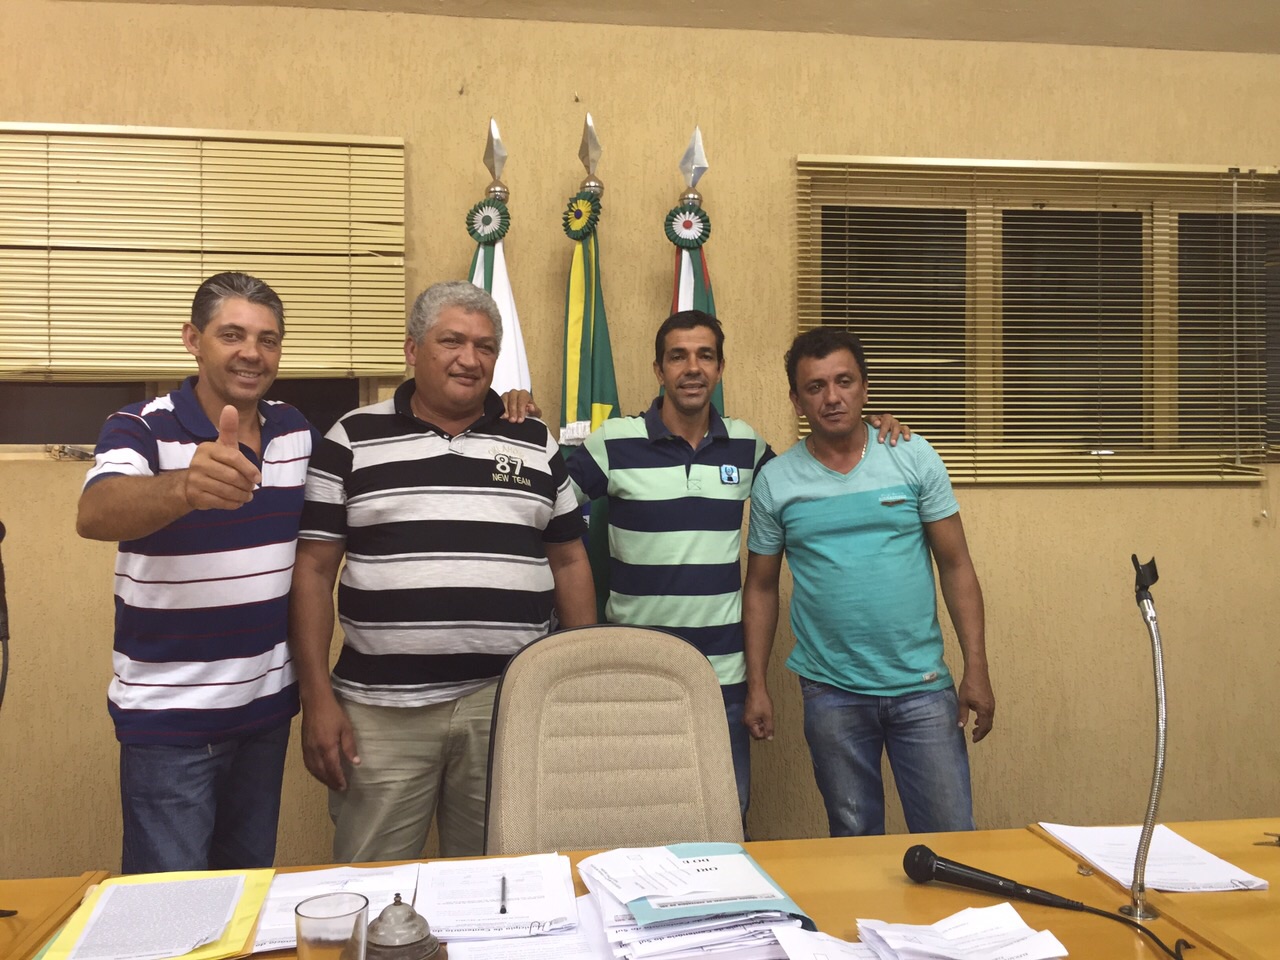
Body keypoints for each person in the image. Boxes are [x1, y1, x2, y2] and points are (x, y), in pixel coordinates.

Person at [503, 309, 907, 819]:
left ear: (720, 368)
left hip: (724, 681)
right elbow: (537, 501)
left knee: (724, 820)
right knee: (638, 822)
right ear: (659, 369)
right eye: (678, 357)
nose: (692, 368)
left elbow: (810, 477)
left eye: (705, 356)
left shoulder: (747, 446)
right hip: (636, 676)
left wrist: (871, 431)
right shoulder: (614, 443)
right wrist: (511, 421)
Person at [289, 280, 596, 862]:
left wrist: (577, 681)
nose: (469, 359)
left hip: (506, 705)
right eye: (451, 341)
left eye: (484, 346)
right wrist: (316, 698)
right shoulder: (351, 438)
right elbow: (313, 571)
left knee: (500, 880)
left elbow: (569, 559)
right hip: (382, 712)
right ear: (412, 349)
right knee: (375, 881)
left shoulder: (533, 440)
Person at [76, 272, 313, 873]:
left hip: (264, 715)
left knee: (245, 894)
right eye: (232, 335)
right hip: (169, 725)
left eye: (267, 339)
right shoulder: (141, 425)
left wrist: (506, 406)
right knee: (170, 908)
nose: (252, 353)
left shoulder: (295, 431)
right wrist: (184, 487)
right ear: (193, 340)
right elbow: (95, 512)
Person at [743, 326, 995, 837]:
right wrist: (757, 686)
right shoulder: (776, 481)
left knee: (950, 836)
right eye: (815, 387)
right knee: (853, 844)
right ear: (796, 399)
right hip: (831, 692)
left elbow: (956, 565)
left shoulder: (912, 455)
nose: (832, 397)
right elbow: (761, 588)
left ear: (864, 387)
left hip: (922, 688)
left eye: (844, 381)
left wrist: (977, 667)